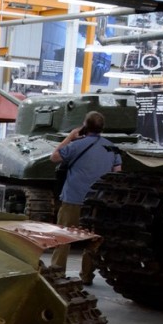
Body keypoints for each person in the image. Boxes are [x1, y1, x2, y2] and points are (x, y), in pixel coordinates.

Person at [48, 111, 121, 284]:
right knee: (93, 239)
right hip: (97, 201)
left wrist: (70, 137)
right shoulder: (112, 147)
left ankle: (57, 273)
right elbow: (117, 173)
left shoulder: (77, 145)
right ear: (102, 128)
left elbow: (54, 157)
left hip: (73, 198)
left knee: (63, 236)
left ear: (84, 126)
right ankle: (87, 275)